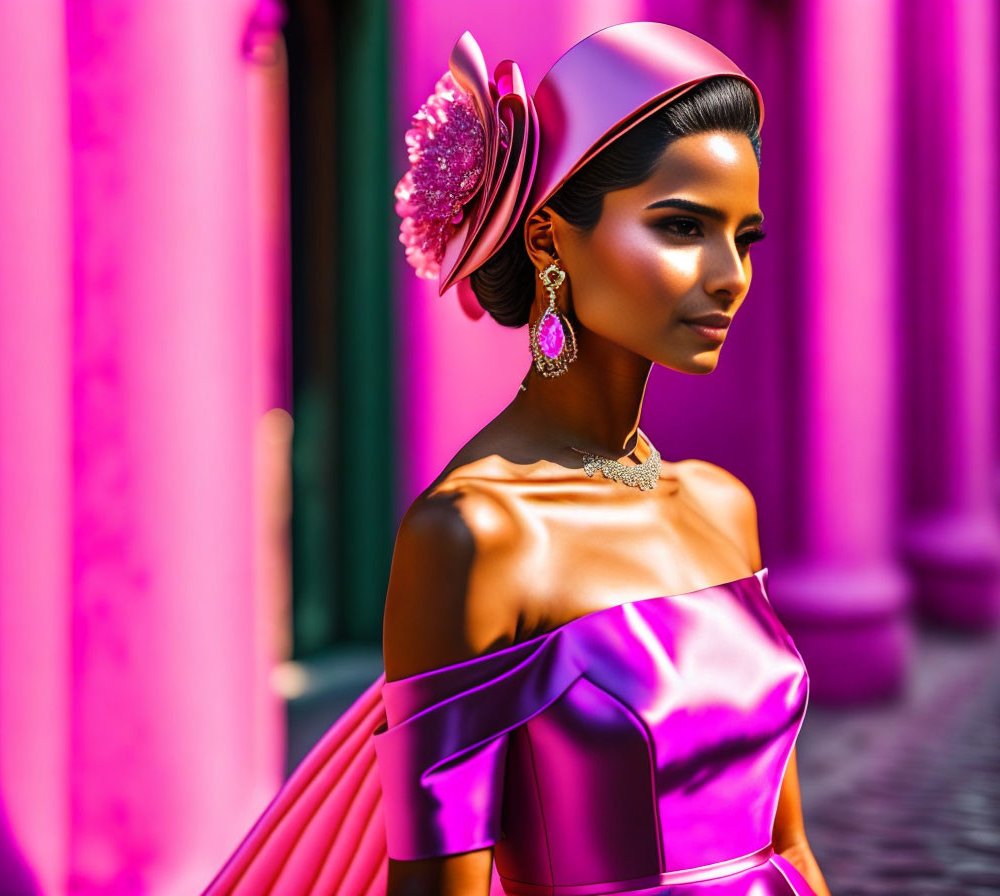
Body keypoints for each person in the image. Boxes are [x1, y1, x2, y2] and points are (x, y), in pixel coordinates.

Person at [203, 22, 830, 896]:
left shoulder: (721, 506)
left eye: (746, 237)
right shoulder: (472, 537)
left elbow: (788, 850)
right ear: (547, 240)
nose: (730, 275)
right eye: (683, 226)